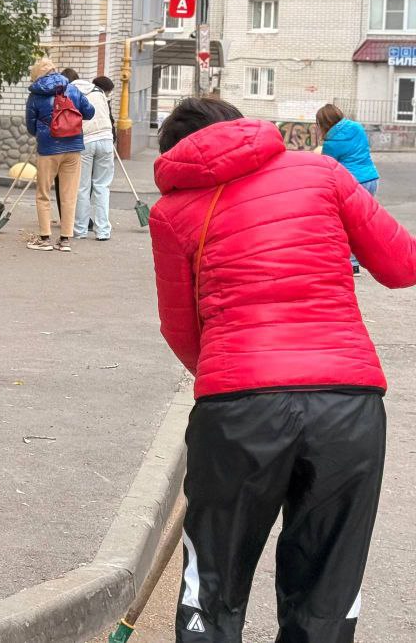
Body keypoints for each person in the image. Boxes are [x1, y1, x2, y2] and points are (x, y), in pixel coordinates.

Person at [150, 97, 416, 642]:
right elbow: (401, 265)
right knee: (325, 590)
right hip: (348, 403)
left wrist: (231, 380)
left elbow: (180, 326)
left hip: (238, 408)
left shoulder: (172, 213)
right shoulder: (322, 172)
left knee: (214, 585)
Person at [25, 58, 93, 252]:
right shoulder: (72, 89)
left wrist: (42, 129)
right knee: (69, 194)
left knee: (43, 193)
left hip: (48, 149)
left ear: (37, 74)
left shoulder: (35, 94)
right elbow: (89, 112)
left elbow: (30, 126)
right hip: (73, 148)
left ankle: (45, 238)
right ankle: (65, 240)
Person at [318, 103, 380, 275]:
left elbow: (327, 166)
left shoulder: (332, 143)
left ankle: (352, 264)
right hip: (372, 178)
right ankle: (367, 259)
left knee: (347, 223)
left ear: (323, 123)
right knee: (363, 222)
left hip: (352, 183)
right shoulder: (357, 127)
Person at [70, 72, 115, 240]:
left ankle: (80, 230)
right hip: (106, 139)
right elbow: (109, 118)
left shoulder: (72, 93)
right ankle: (103, 231)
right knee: (102, 187)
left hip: (86, 141)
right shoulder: (99, 92)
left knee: (82, 187)